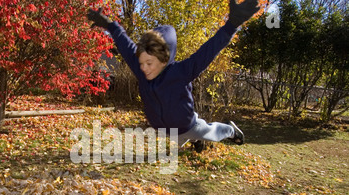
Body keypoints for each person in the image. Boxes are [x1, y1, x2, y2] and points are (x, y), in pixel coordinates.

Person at [87, 0, 260, 149]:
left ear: (164, 60)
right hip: (166, 130)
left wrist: (231, 25)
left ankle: (230, 130)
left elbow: (208, 51)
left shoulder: (181, 72)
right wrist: (110, 25)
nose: (144, 68)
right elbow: (125, 44)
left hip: (188, 125)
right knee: (178, 141)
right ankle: (194, 142)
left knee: (209, 132)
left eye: (149, 63)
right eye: (141, 62)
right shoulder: (142, 69)